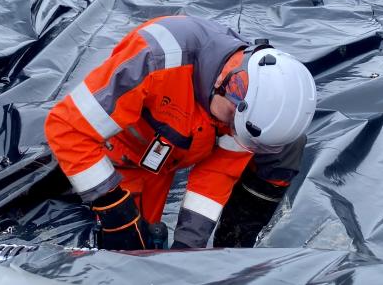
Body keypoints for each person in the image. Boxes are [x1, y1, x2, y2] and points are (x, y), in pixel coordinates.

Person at [44, 15, 317, 250]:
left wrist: (188, 246)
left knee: (148, 246)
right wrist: (112, 205)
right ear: (227, 82)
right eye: (229, 121)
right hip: (124, 154)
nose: (230, 132)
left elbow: (217, 174)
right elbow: (66, 127)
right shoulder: (153, 59)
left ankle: (232, 253)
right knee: (126, 250)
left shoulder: (252, 110)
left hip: (167, 156)